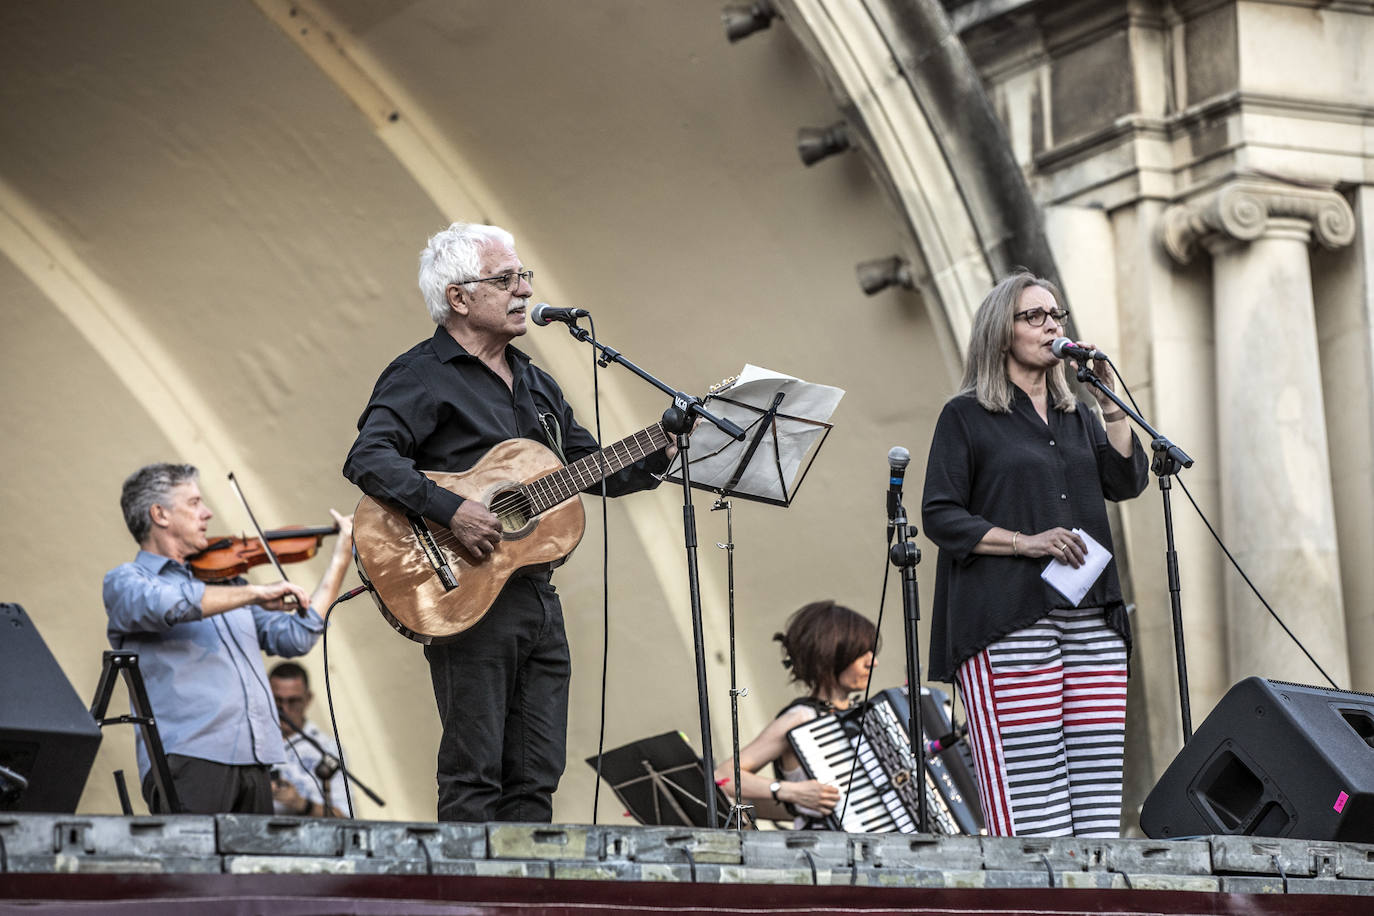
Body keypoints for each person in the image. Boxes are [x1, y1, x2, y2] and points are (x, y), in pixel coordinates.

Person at [343, 221, 674, 823]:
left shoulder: (536, 382)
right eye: (506, 279)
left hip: (535, 597)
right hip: (460, 588)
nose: (523, 290)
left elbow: (591, 467)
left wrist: (670, 447)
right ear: (459, 298)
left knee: (537, 774)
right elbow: (369, 457)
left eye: (524, 276)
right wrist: (452, 509)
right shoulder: (421, 374)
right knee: (475, 772)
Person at [921, 271, 1149, 838]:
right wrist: (1027, 542)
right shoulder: (966, 415)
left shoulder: (1077, 418)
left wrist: (1111, 409)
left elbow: (1126, 481)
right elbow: (940, 515)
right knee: (1030, 802)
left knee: (1097, 799)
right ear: (1001, 333)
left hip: (1091, 614)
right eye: (1036, 316)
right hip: (1010, 618)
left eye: (1057, 315)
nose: (1053, 326)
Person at [103, 463, 354, 815]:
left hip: (256, 761)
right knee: (196, 871)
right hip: (189, 758)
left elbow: (295, 638)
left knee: (253, 871)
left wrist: (340, 560)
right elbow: (171, 605)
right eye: (193, 503)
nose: (206, 513)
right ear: (159, 514)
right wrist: (253, 593)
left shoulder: (228, 583)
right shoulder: (127, 581)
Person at [712, 600, 877, 827]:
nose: (873, 662)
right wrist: (788, 791)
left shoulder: (867, 718)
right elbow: (723, 776)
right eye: (861, 654)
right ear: (831, 655)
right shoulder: (801, 718)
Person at [269, 661, 346, 818]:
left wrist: (300, 803)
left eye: (293, 701)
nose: (285, 709)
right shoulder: (246, 741)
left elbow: (346, 817)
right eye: (277, 701)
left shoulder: (327, 747)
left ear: (308, 699)